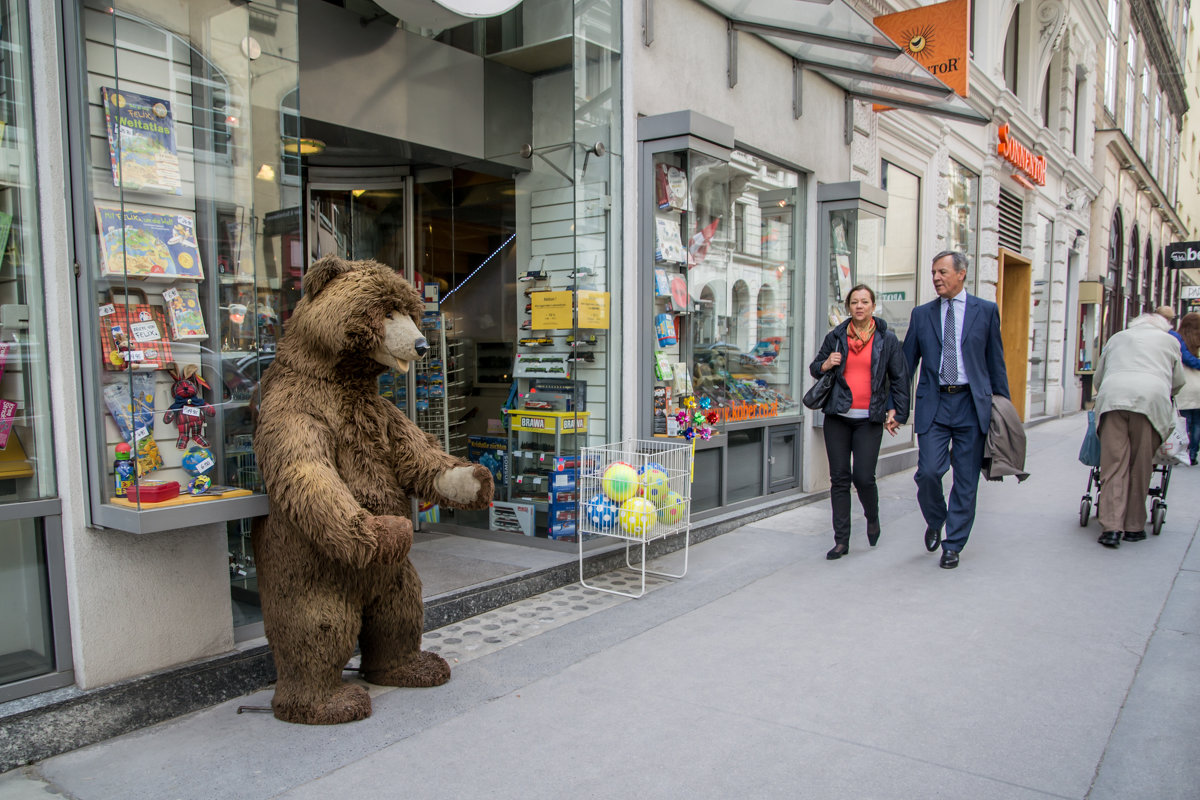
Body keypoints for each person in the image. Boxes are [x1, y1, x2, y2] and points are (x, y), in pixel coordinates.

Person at [902, 251, 1009, 569]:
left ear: (961, 273)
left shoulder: (986, 311)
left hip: (971, 405)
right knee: (929, 473)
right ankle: (936, 518)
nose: (936, 277)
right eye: (934, 272)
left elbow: (996, 364)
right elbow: (908, 364)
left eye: (942, 272)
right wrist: (895, 406)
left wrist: (1002, 408)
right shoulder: (922, 315)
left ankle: (954, 543)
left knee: (966, 479)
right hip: (934, 403)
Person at [810, 284, 910, 560]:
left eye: (864, 301)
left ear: (873, 306)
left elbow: (900, 378)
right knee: (840, 479)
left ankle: (872, 517)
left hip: (870, 419)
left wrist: (898, 412)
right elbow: (815, 368)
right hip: (838, 418)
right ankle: (841, 541)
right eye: (854, 302)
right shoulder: (836, 336)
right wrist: (827, 363)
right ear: (848, 307)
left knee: (864, 477)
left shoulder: (886, 339)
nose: (859, 306)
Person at [1092, 312, 1185, 546]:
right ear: (1163, 327)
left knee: (1113, 465)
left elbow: (1099, 377)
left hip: (1113, 398)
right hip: (1150, 402)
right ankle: (1133, 527)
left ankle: (1111, 528)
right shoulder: (1170, 341)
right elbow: (1178, 381)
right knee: (1140, 464)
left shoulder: (1117, 337)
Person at [1170, 311, 1200, 466]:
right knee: (1197, 423)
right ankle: (1193, 454)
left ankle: (1181, 452)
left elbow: (1184, 359)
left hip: (1184, 387)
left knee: (1184, 422)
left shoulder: (1177, 340)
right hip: (1199, 388)